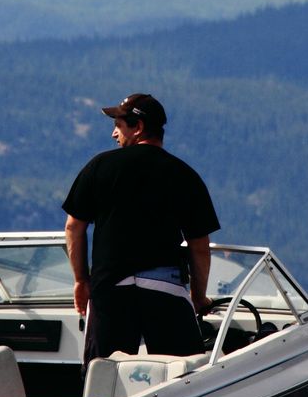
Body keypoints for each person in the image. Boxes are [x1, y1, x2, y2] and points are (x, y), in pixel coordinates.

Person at [63, 93, 220, 367]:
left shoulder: (99, 166)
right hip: (165, 287)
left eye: (119, 125)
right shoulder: (184, 174)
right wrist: (197, 296)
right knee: (182, 374)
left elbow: (74, 227)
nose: (114, 134)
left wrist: (80, 280)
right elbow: (199, 245)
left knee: (103, 376)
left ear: (137, 128)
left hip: (110, 287)